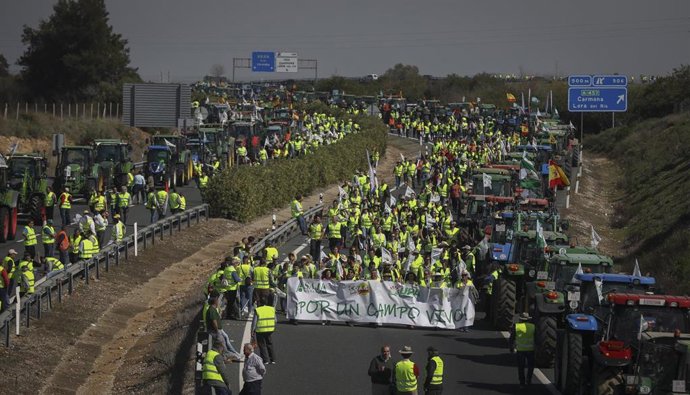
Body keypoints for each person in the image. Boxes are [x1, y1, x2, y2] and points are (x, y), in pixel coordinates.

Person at [205, 294, 242, 359]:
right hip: (216, 331)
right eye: (217, 301)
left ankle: (234, 353)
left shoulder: (213, 309)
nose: (218, 302)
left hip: (219, 330)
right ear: (215, 302)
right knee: (223, 345)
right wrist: (217, 331)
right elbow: (214, 321)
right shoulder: (211, 310)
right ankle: (234, 356)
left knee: (226, 339)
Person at [510, 312, 535, 389]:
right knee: (531, 366)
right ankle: (529, 380)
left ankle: (522, 383)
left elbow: (512, 338)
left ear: (520, 319)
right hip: (531, 350)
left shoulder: (516, 326)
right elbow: (537, 338)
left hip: (520, 350)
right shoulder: (533, 327)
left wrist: (511, 348)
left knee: (521, 367)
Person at [252, 298, 276, 365]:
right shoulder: (272, 309)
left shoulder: (258, 310)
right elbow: (275, 320)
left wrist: (252, 330)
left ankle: (265, 360)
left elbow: (254, 322)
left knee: (262, 345)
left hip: (260, 330)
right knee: (269, 344)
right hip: (270, 330)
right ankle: (273, 359)